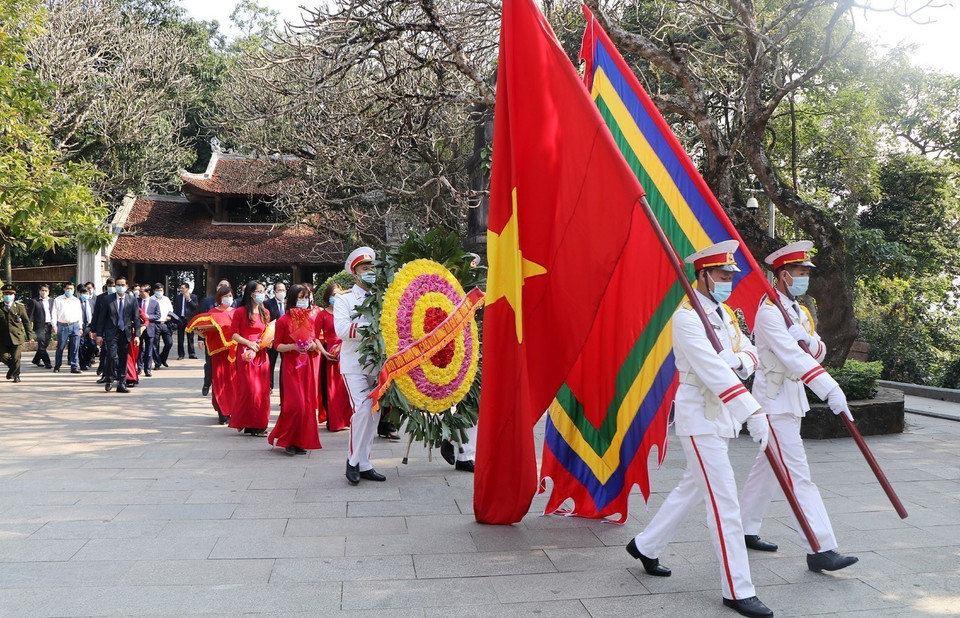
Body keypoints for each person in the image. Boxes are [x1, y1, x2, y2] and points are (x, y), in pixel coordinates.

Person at [625, 241, 773, 618]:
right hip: (700, 417)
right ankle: (738, 588)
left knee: (692, 486)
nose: (728, 282)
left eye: (730, 276)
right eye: (722, 276)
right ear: (703, 276)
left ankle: (646, 544)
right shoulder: (687, 317)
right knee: (724, 503)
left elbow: (751, 353)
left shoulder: (726, 315)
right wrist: (753, 410)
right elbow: (710, 371)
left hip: (720, 415)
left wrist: (737, 359)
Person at [739, 241, 859, 574]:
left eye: (807, 272)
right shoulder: (768, 312)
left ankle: (744, 527)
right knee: (798, 475)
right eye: (799, 272)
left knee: (768, 469)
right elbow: (793, 357)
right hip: (773, 401)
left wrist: (806, 339)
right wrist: (830, 389)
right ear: (781, 275)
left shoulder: (797, 311)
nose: (804, 277)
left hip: (791, 398)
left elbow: (816, 350)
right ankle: (820, 546)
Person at [336, 247, 388, 485]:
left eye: (372, 268)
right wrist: (373, 330)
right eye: (365, 269)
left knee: (373, 414)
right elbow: (342, 330)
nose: (370, 272)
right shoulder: (345, 299)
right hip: (354, 364)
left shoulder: (383, 298)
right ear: (355, 273)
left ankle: (365, 463)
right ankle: (353, 461)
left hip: (376, 365)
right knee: (363, 409)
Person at [268, 284, 322, 455]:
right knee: (295, 404)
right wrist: (292, 346)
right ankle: (288, 440)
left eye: (306, 298)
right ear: (292, 299)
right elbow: (277, 346)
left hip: (306, 368)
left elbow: (314, 341)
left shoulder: (311, 319)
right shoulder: (283, 320)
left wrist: (312, 345)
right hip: (291, 368)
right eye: (300, 298)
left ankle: (300, 441)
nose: (303, 301)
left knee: (306, 406)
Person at [188, 284, 237, 424]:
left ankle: (233, 409)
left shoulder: (236, 313)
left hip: (233, 353)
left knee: (233, 382)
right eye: (225, 296)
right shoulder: (212, 313)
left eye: (230, 296)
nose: (228, 299)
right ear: (219, 298)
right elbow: (198, 327)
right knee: (219, 381)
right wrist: (201, 334)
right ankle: (223, 411)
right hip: (216, 353)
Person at [228, 280, 273, 436]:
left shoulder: (265, 312)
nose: (262, 294)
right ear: (251, 294)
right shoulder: (240, 312)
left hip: (261, 353)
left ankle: (258, 424)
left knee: (262, 390)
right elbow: (233, 334)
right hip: (246, 354)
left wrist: (266, 342)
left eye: (263, 291)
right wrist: (249, 343)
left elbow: (267, 331)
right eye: (258, 291)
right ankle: (250, 423)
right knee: (250, 390)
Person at [94, 276, 141, 393]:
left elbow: (136, 318)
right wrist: (99, 334)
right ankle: (109, 379)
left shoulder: (132, 300)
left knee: (124, 358)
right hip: (111, 333)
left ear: (126, 286)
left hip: (125, 333)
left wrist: (137, 335)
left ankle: (121, 383)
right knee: (112, 356)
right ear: (115, 286)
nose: (120, 287)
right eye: (118, 285)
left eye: (122, 285)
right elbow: (102, 318)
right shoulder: (107, 300)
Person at [315, 283, 351, 432]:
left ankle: (346, 419)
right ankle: (334, 421)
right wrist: (324, 352)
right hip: (331, 355)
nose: (336, 298)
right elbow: (315, 337)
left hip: (347, 352)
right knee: (332, 390)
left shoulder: (346, 313)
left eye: (338, 295)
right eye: (333, 295)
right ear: (327, 297)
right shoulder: (322, 315)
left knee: (345, 389)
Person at [199, 279, 231, 397]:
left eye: (226, 286)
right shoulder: (208, 302)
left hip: (229, 343)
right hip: (212, 341)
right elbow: (201, 321)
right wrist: (201, 339)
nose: (223, 287)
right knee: (210, 364)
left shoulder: (235, 307)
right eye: (221, 285)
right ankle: (207, 383)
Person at [0, 284, 32, 383]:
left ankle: (16, 375)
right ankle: (12, 369)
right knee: (2, 356)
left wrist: (30, 336)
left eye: (10, 294)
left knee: (16, 358)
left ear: (14, 295)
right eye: (6, 293)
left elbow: (26, 322)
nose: (8, 295)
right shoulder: (0, 307)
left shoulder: (19, 307)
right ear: (2, 295)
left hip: (17, 337)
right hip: (2, 338)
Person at [51, 282, 83, 373]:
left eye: (71, 289)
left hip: (75, 325)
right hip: (62, 325)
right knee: (60, 347)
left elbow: (79, 314)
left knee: (75, 347)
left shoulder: (76, 300)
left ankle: (74, 366)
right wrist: (54, 325)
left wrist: (80, 327)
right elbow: (54, 313)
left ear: (74, 290)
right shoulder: (58, 299)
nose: (69, 290)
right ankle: (57, 365)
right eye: (67, 288)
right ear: (64, 289)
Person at [91, 277, 116, 381]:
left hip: (118, 329)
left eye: (114, 286)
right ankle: (105, 375)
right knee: (105, 351)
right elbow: (96, 315)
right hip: (105, 330)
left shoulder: (120, 297)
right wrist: (94, 330)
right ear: (107, 286)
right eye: (110, 286)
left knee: (115, 354)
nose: (112, 288)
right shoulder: (101, 298)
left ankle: (116, 373)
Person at [264, 281, 287, 393]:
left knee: (285, 364)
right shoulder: (268, 304)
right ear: (274, 292)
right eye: (279, 290)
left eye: (283, 290)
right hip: (272, 339)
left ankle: (284, 387)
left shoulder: (288, 304)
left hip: (285, 340)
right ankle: (269, 385)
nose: (281, 292)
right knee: (271, 363)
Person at [137, 284, 160, 377]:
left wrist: (148, 317)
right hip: (139, 328)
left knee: (149, 350)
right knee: (139, 349)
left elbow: (158, 315)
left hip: (150, 328)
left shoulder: (154, 303)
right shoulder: (136, 301)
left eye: (142, 291)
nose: (140, 293)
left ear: (148, 292)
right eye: (140, 291)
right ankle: (139, 368)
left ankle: (148, 369)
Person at [28, 284, 54, 369]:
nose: (44, 292)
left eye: (46, 291)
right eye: (42, 290)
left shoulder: (52, 301)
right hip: (39, 326)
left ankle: (36, 359)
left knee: (45, 344)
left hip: (49, 325)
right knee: (42, 344)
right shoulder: (34, 301)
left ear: (48, 291)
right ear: (39, 291)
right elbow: (30, 316)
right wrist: (29, 328)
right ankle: (48, 363)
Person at [152, 283, 174, 368]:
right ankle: (157, 363)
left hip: (165, 324)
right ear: (154, 291)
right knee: (155, 345)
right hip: (155, 323)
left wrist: (169, 316)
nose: (159, 292)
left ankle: (162, 358)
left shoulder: (166, 299)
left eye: (161, 290)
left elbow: (171, 310)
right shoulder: (151, 299)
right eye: (158, 290)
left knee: (169, 343)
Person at [174, 283, 198, 359]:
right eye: (180, 288)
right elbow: (176, 308)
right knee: (180, 338)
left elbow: (195, 307)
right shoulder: (178, 297)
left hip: (189, 319)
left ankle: (191, 354)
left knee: (190, 337)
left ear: (187, 289)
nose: (181, 289)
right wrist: (175, 319)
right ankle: (181, 354)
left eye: (182, 288)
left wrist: (189, 299)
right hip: (180, 319)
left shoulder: (193, 297)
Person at [78, 286, 97, 371]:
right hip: (81, 327)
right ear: (80, 294)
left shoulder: (92, 302)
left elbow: (95, 315)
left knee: (92, 345)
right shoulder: (77, 302)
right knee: (81, 346)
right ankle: (82, 364)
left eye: (87, 293)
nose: (85, 295)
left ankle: (88, 360)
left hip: (90, 326)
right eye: (83, 293)